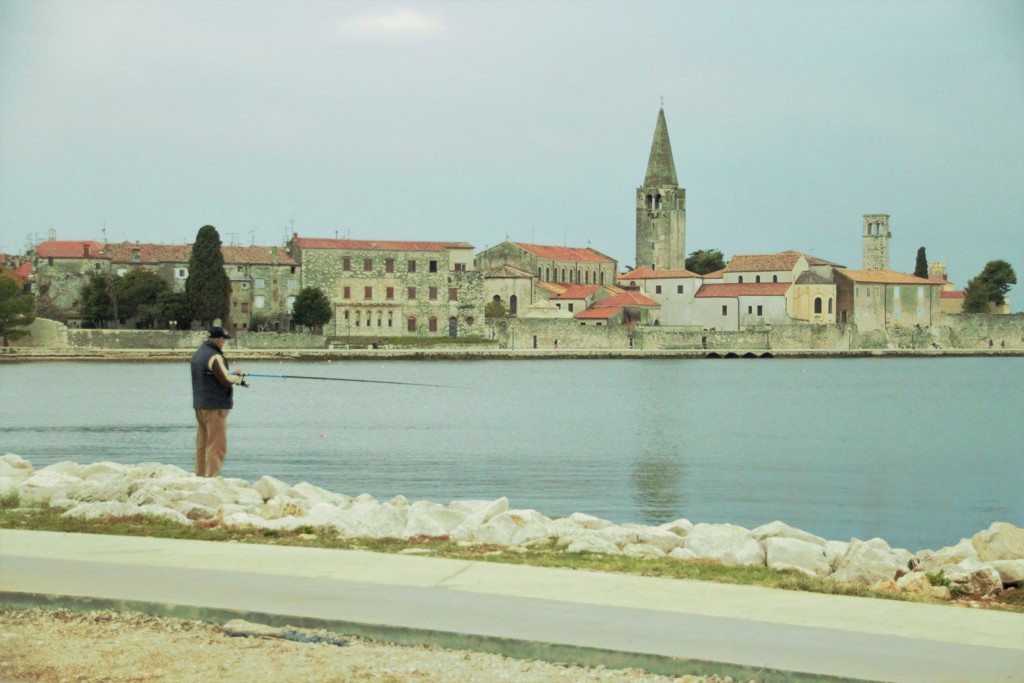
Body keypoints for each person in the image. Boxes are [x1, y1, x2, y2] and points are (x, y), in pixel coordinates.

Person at [190, 326, 247, 477]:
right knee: (217, 445)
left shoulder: (198, 354)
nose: (224, 342)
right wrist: (239, 376)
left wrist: (236, 379)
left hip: (199, 405)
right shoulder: (215, 356)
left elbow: (212, 377)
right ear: (219, 339)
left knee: (203, 443)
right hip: (215, 407)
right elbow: (225, 379)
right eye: (223, 340)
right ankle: (213, 478)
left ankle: (200, 475)